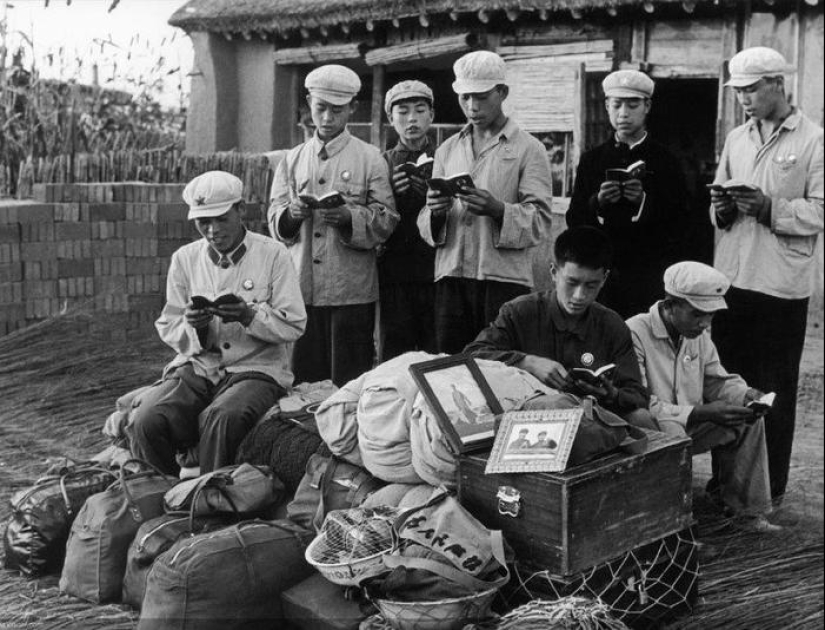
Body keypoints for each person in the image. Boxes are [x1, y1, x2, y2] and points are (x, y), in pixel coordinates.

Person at [129, 171, 307, 475]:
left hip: (257, 369)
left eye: (222, 219)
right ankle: (162, 495)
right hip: (199, 367)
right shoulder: (185, 259)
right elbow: (169, 324)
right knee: (147, 419)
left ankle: (211, 496)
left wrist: (249, 316)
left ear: (241, 210)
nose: (213, 231)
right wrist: (194, 326)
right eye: (203, 222)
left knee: (223, 417)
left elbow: (294, 324)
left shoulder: (273, 254)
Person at [709, 46, 823, 504]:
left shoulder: (813, 140)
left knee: (774, 389)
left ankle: (766, 490)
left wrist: (770, 207)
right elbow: (717, 204)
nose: (743, 99)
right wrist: (721, 208)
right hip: (732, 279)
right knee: (728, 385)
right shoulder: (737, 138)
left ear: (778, 83)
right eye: (738, 91)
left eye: (751, 89)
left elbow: (820, 210)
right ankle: (725, 483)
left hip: (780, 285)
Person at [269, 64, 398, 386]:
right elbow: (273, 214)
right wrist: (291, 215)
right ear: (308, 104)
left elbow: (387, 218)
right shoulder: (292, 159)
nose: (327, 118)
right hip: (301, 287)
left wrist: (349, 218)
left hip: (351, 289)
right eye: (320, 108)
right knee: (304, 380)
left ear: (352, 108)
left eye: (337, 110)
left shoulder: (370, 157)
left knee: (349, 380)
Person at [626, 261, 779, 532]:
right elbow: (637, 402)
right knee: (672, 431)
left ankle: (746, 513)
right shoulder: (634, 332)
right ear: (670, 305)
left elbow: (716, 381)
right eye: (697, 314)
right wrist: (701, 413)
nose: (705, 323)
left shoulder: (697, 334)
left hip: (690, 423)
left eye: (711, 315)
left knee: (748, 422)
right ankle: (674, 528)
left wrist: (746, 395)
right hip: (650, 428)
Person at [417, 50, 553, 354]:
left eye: (481, 97)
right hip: (451, 276)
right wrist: (436, 211)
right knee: (451, 364)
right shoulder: (447, 149)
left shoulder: (529, 149)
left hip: (503, 281)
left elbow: (541, 221)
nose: (472, 106)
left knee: (500, 364)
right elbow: (427, 222)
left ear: (502, 92)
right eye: (464, 97)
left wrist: (498, 210)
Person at [465, 226, 656, 429]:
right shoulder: (519, 311)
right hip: (532, 422)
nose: (579, 296)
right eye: (572, 283)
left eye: (591, 285)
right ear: (554, 272)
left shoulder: (612, 325)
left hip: (593, 421)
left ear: (604, 279)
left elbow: (638, 394)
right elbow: (473, 354)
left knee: (641, 418)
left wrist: (612, 394)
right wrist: (527, 362)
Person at [566, 70, 690, 319]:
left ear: (647, 106)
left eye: (632, 105)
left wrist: (643, 202)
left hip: (649, 273)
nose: (623, 113)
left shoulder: (666, 160)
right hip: (602, 274)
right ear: (606, 106)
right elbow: (574, 219)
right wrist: (597, 202)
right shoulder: (592, 160)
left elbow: (683, 223)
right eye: (616, 105)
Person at [379, 80, 438, 360]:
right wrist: (390, 194)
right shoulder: (381, 162)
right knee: (395, 351)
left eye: (420, 110)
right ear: (391, 119)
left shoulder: (447, 157)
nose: (412, 119)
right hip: (395, 272)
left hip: (437, 269)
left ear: (431, 115)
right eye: (402, 112)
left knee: (436, 349)